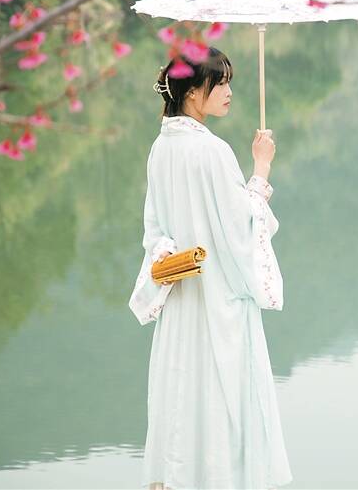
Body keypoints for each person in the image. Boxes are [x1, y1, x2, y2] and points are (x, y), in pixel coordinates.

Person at [128, 47, 293, 490]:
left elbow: (155, 230)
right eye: (219, 83)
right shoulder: (213, 151)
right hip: (218, 302)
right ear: (191, 91)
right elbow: (242, 228)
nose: (228, 92)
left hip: (183, 297)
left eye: (228, 83)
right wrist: (262, 169)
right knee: (222, 399)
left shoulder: (161, 148)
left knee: (184, 392)